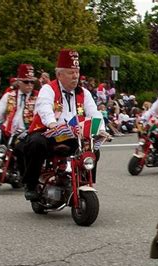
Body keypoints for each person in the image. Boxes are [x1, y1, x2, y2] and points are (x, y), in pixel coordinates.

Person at [23, 49, 104, 201]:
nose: (75, 76)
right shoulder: (48, 89)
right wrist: (52, 123)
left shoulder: (84, 93)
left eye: (77, 71)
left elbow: (94, 113)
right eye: (71, 72)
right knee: (36, 143)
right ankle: (31, 184)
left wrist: (100, 129)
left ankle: (86, 183)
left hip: (72, 135)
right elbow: (44, 108)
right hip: (48, 133)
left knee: (92, 148)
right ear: (59, 74)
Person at [0, 64, 38, 174]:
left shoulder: (38, 97)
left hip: (26, 132)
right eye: (26, 82)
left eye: (32, 82)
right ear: (19, 82)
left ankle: (23, 173)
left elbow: (39, 115)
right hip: (8, 131)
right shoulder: (9, 95)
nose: (30, 85)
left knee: (20, 148)